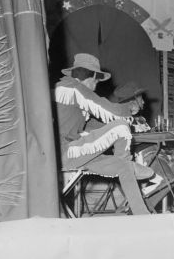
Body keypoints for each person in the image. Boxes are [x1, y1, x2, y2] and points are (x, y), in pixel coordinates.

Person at [52, 53, 156, 215]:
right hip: (64, 153)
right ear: (90, 76)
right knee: (121, 126)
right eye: (96, 79)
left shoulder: (71, 91)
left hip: (77, 152)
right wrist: (127, 108)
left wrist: (115, 126)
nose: (97, 83)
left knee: (122, 166)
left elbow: (90, 125)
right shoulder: (71, 87)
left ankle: (142, 214)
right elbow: (107, 109)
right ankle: (127, 163)